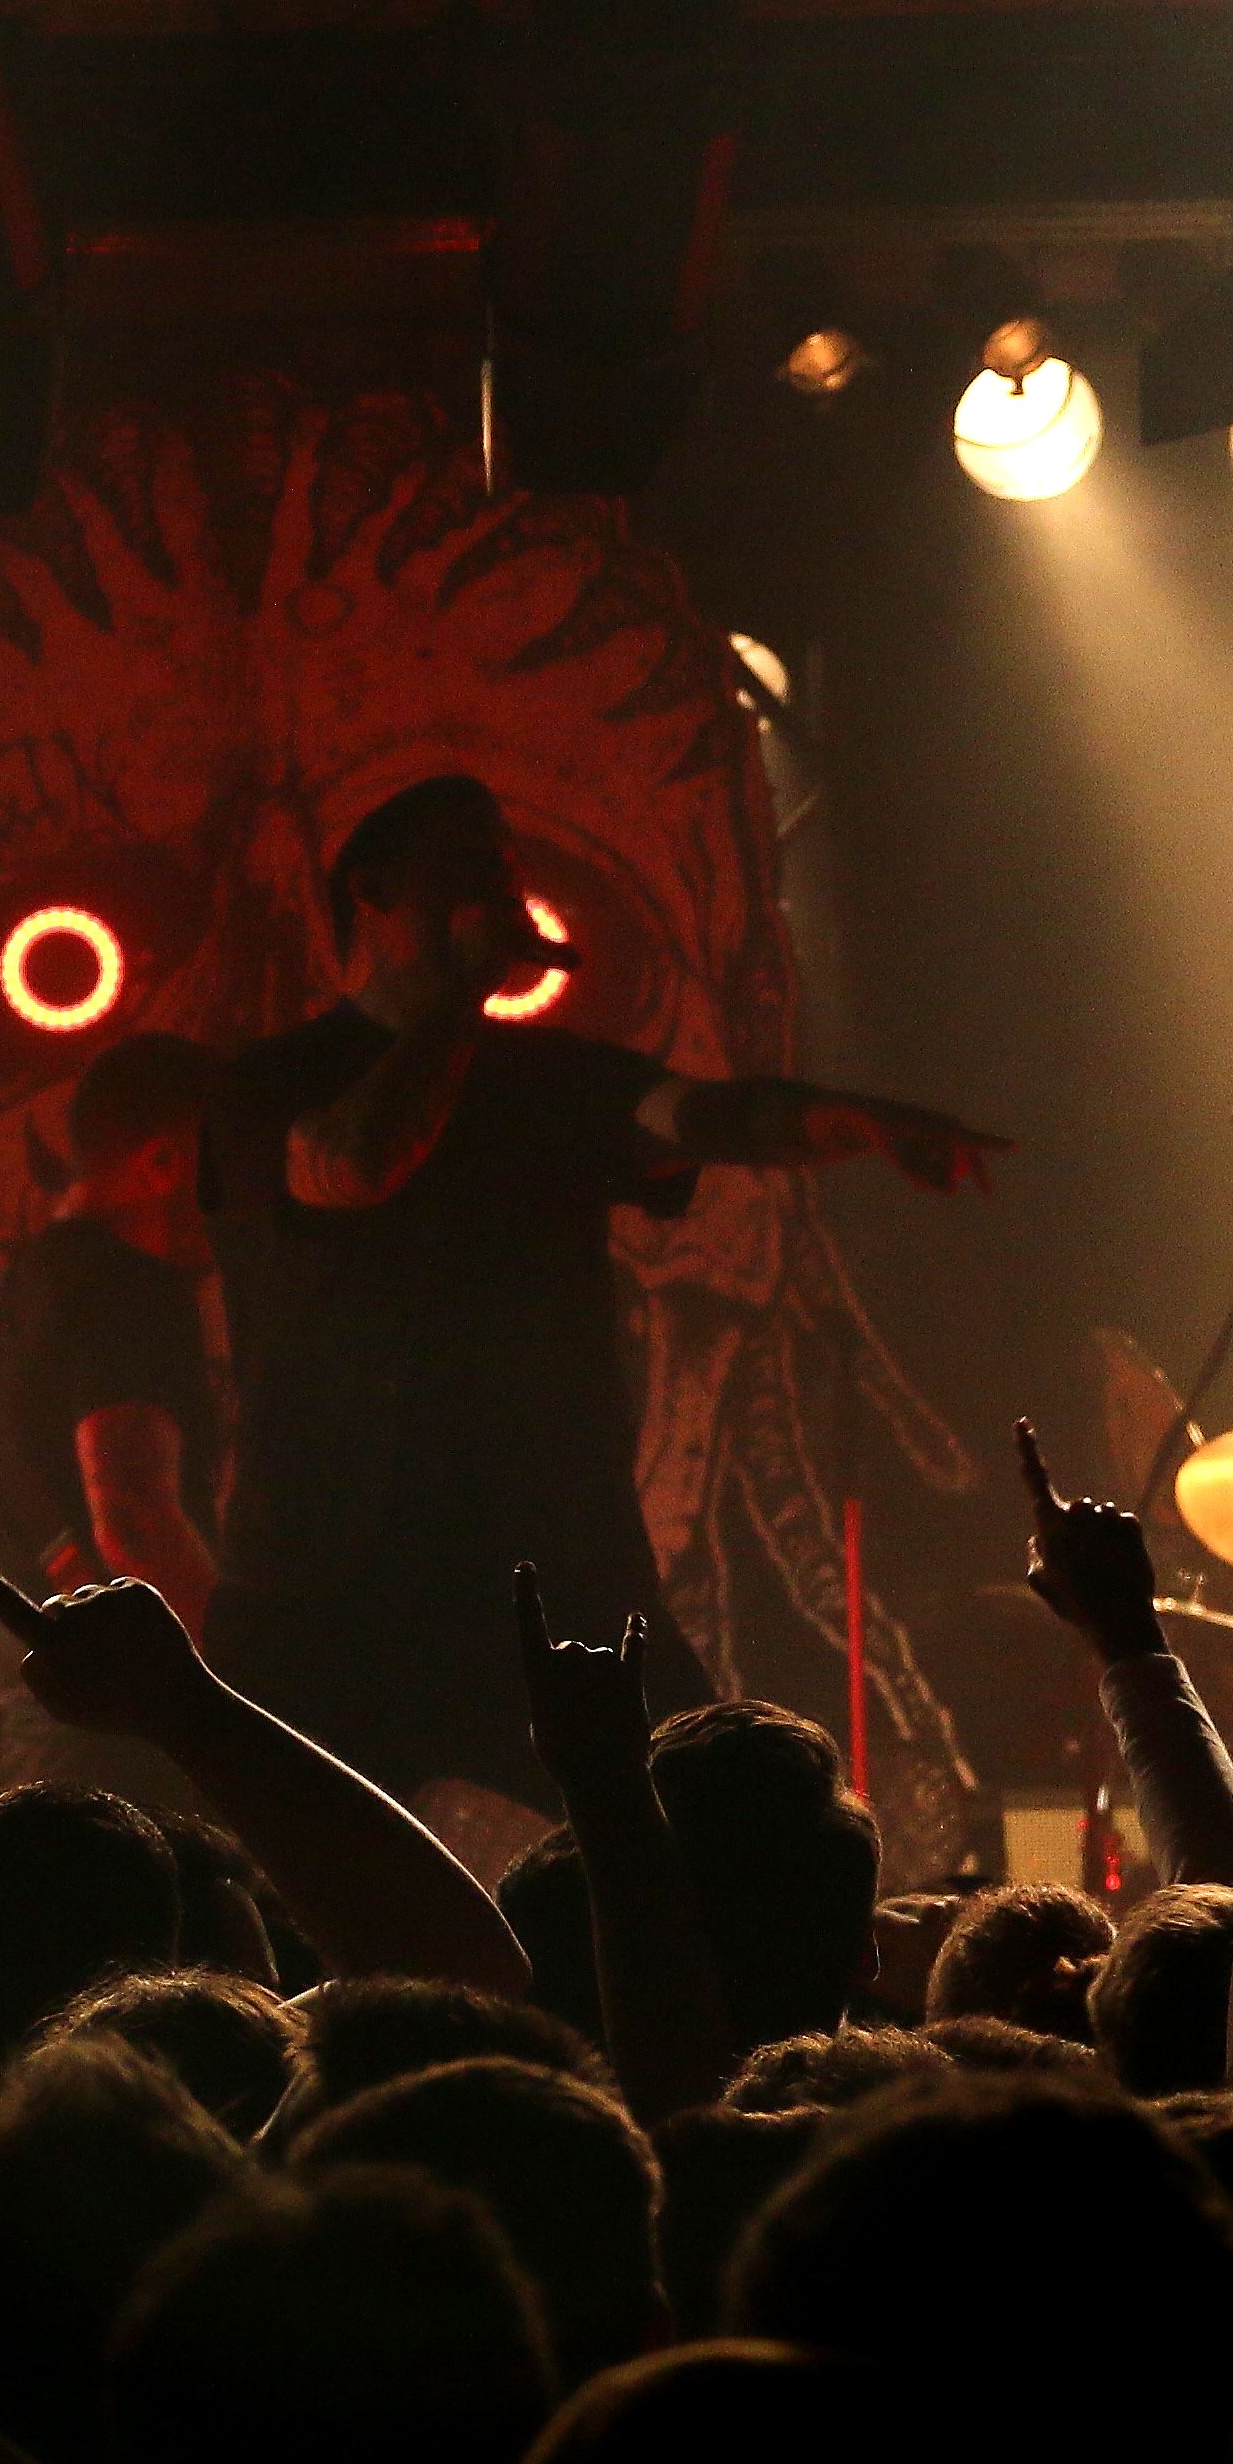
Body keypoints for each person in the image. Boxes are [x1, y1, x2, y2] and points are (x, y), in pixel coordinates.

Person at [195, 772, 1002, 1806]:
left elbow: (704, 1116)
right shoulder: (270, 1082)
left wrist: (859, 1120)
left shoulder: (556, 1076)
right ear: (373, 887)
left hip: (553, 1561)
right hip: (329, 1581)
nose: (495, 893)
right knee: (295, 1878)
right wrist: (458, 1003)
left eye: (506, 873)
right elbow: (355, 1165)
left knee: (706, 1824)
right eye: (463, 867)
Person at [0, 1034, 230, 1626]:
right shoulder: (129, 1286)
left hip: (48, 1671)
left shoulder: (11, 1300)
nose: (241, 1191)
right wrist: (226, 1663)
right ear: (163, 1164)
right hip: (139, 1674)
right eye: (230, 1158)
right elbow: (134, 1523)